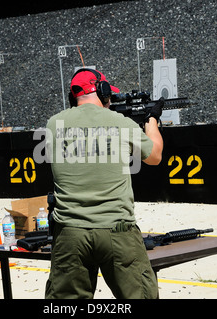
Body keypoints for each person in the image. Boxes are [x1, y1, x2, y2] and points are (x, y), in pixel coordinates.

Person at [45, 68, 163, 299]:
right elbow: (155, 155)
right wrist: (151, 121)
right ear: (103, 91)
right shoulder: (120, 122)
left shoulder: (53, 124)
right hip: (117, 230)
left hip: (70, 232)